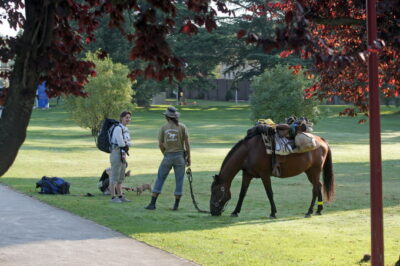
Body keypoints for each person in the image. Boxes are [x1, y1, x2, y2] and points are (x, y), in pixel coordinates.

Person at [145, 106, 191, 211]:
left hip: (168, 156)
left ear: (167, 117)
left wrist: (165, 154)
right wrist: (189, 158)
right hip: (180, 156)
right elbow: (187, 144)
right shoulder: (182, 127)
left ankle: (152, 204)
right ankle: (176, 205)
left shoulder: (163, 128)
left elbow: (160, 144)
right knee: (179, 180)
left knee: (160, 178)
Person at [109, 111, 133, 203]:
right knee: (114, 175)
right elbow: (121, 143)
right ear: (121, 118)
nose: (128, 119)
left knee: (121, 176)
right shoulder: (118, 129)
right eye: (126, 117)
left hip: (122, 153)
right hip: (116, 152)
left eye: (129, 118)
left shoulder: (125, 129)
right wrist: (127, 143)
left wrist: (127, 143)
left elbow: (128, 142)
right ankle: (113, 197)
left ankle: (120, 196)